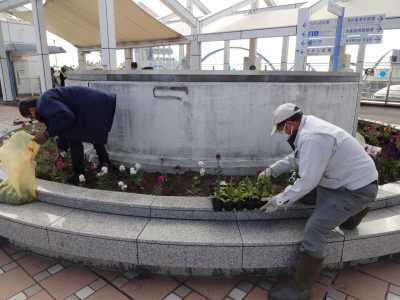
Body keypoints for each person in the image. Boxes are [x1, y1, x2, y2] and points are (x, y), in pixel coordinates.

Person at [258, 103, 378, 300]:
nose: (281, 133)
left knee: (315, 229)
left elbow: (308, 180)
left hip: (356, 190)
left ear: (289, 124)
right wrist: (271, 171)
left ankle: (301, 289)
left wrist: (278, 201)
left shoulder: (314, 137)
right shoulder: (307, 127)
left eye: (280, 128)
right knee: (306, 197)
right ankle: (353, 214)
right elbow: (296, 158)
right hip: (343, 182)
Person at [19, 86, 116, 184]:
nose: (33, 119)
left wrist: (46, 135)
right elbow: (60, 126)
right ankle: (104, 163)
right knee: (86, 133)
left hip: (95, 104)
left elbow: (66, 117)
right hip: (98, 103)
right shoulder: (44, 102)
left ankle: (79, 174)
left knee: (74, 137)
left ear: (31, 110)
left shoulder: (43, 104)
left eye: (30, 116)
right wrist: (60, 149)